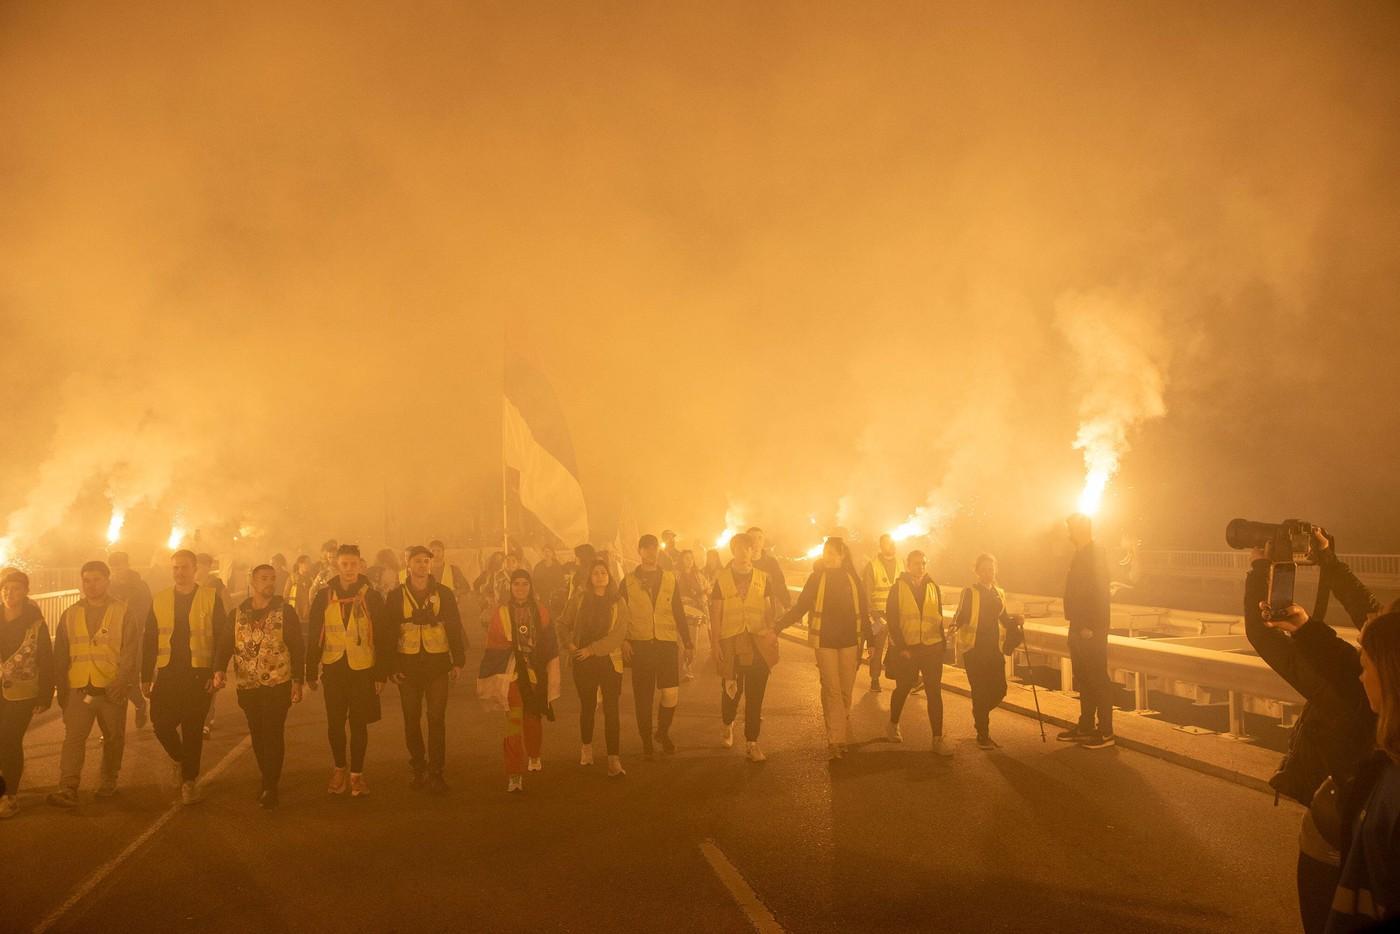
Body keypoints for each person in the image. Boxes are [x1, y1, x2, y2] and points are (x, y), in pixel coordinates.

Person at [48, 561, 142, 807]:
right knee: (73, 738)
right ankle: (68, 786)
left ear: (107, 581)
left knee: (113, 737)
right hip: (78, 688)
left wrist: (122, 682)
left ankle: (108, 779)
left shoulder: (122, 611)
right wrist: (61, 688)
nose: (91, 585)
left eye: (96, 580)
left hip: (111, 688)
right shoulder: (70, 614)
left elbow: (130, 650)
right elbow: (61, 654)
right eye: (86, 580)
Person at [140, 549, 229, 805]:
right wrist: (145, 674)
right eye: (175, 568)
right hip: (168, 673)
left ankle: (189, 780)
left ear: (195, 569)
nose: (180, 572)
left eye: (185, 567)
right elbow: (150, 638)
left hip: (198, 674)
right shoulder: (160, 599)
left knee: (192, 729)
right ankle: (181, 759)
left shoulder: (210, 598)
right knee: (160, 723)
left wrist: (217, 670)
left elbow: (221, 637)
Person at [212, 564, 305, 808]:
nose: (269, 583)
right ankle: (267, 775)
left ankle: (270, 785)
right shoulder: (238, 613)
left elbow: (297, 647)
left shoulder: (286, 612)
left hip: (278, 683)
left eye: (272, 579)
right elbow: (225, 643)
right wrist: (219, 669)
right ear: (252, 582)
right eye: (264, 579)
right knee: (257, 734)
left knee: (272, 732)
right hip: (248, 684)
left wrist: (298, 680)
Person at [306, 544, 394, 797]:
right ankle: (339, 768)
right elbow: (314, 633)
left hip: (362, 670)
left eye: (353, 564)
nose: (349, 569)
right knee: (334, 724)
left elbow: (384, 636)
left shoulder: (372, 596)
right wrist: (310, 670)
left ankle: (357, 774)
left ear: (360, 565)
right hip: (334, 668)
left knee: (358, 724)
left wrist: (381, 673)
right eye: (344, 564)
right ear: (337, 566)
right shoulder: (324, 596)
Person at [777, 537, 869, 761]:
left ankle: (839, 723)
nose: (828, 556)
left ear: (842, 555)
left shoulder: (853, 579)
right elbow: (801, 607)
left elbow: (864, 612)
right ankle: (836, 739)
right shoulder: (817, 578)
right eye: (826, 552)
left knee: (846, 690)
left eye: (833, 553)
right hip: (825, 642)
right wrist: (778, 625)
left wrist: (872, 643)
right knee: (832, 689)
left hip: (850, 642)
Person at [385, 545, 466, 794]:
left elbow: (454, 626)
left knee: (436, 719)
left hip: (437, 663)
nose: (422, 565)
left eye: (426, 561)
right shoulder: (396, 595)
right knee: (411, 720)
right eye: (417, 561)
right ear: (408, 565)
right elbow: (389, 631)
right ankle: (418, 767)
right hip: (407, 665)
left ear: (431, 565)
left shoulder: (444, 593)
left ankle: (436, 771)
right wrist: (392, 665)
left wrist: (458, 661)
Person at [479, 569, 560, 792]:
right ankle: (514, 773)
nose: (521, 588)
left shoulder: (541, 612)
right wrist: (515, 650)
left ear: (530, 587)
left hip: (535, 673)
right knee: (513, 720)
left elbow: (551, 643)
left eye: (525, 584)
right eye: (517, 584)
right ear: (511, 587)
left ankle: (534, 755)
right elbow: (493, 644)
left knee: (533, 717)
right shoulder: (501, 612)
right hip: (511, 673)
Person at [619, 534, 694, 759]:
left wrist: (688, 642)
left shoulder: (670, 578)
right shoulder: (628, 581)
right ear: (640, 551)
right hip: (640, 645)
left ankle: (662, 732)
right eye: (647, 548)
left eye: (654, 549)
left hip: (666, 644)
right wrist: (622, 640)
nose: (651, 553)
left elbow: (679, 611)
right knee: (643, 697)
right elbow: (620, 614)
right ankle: (646, 743)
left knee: (671, 694)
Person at [710, 532, 779, 762]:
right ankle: (728, 723)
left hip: (757, 643)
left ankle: (752, 741)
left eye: (747, 548)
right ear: (733, 551)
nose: (743, 552)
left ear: (753, 551)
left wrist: (772, 632)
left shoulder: (763, 578)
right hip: (731, 643)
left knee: (755, 695)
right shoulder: (721, 579)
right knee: (732, 691)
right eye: (738, 548)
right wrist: (715, 644)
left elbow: (770, 609)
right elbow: (716, 613)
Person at [884, 550, 951, 755]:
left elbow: (937, 618)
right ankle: (893, 723)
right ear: (907, 565)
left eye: (923, 563)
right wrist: (902, 648)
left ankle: (937, 739)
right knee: (903, 687)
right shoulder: (897, 588)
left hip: (931, 648)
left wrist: (942, 646)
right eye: (915, 563)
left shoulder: (933, 587)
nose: (920, 567)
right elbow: (892, 620)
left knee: (934, 692)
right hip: (909, 649)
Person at [1057, 514, 1115, 749]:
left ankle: (1106, 732)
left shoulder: (1095, 553)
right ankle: (1086, 726)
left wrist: (1090, 625)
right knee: (1084, 678)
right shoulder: (1081, 553)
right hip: (1079, 625)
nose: (1068, 533)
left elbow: (1100, 590)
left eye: (1070, 528)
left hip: (1090, 628)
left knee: (1097, 678)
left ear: (1080, 530)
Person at [952, 554, 1020, 751]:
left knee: (1000, 690)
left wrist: (1016, 622)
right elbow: (961, 614)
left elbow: (1004, 618)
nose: (987, 573)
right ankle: (983, 733)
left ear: (995, 570)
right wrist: (953, 626)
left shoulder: (999, 593)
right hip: (974, 649)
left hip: (994, 650)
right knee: (980, 691)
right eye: (983, 570)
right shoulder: (970, 592)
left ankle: (979, 712)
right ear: (977, 572)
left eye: (991, 569)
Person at [0, 571, 53, 817]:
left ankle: (10, 796)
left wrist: (45, 695)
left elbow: (46, 659)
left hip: (22, 694)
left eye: (16, 588)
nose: (10, 593)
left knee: (10, 741)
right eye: (5, 588)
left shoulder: (36, 623)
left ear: (25, 592)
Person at [571, 559, 627, 777]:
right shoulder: (579, 599)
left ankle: (614, 758)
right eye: (595, 573)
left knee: (611, 709)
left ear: (609, 576)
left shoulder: (618, 601)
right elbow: (562, 624)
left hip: (609, 660)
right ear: (589, 577)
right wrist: (569, 645)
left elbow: (619, 634)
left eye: (604, 572)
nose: (600, 576)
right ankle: (586, 746)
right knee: (588, 705)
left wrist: (592, 649)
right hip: (583, 661)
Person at [107, 551, 153, 729]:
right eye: (113, 567)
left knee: (129, 678)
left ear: (127, 565)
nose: (117, 570)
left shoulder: (140, 586)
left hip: (134, 638)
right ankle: (111, 726)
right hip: (111, 640)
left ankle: (140, 704)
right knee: (111, 679)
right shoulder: (109, 587)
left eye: (119, 566)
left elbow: (148, 610)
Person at [861, 534, 903, 694]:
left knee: (901, 647)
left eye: (893, 543)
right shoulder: (872, 566)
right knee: (877, 649)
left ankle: (903, 678)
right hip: (880, 615)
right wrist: (872, 614)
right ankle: (875, 679)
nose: (891, 546)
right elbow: (867, 593)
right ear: (881, 546)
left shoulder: (901, 562)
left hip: (898, 614)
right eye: (887, 543)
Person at [677, 549, 709, 681]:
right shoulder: (675, 575)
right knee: (680, 643)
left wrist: (703, 594)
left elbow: (707, 589)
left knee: (693, 642)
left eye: (691, 558)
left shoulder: (699, 576)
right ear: (681, 560)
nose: (689, 561)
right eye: (686, 558)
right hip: (679, 613)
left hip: (695, 613)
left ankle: (688, 668)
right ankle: (681, 670)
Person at [747, 527, 791, 612]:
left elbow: (780, 584)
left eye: (760, 538)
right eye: (752, 538)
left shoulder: (771, 563)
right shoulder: (737, 563)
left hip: (767, 611)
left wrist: (787, 605)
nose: (756, 541)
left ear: (763, 542)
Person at [531, 545, 567, 615]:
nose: (546, 553)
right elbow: (534, 581)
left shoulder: (557, 566)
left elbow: (561, 581)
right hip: (542, 595)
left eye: (548, 551)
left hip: (555, 596)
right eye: (544, 551)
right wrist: (536, 593)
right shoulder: (538, 566)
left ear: (552, 553)